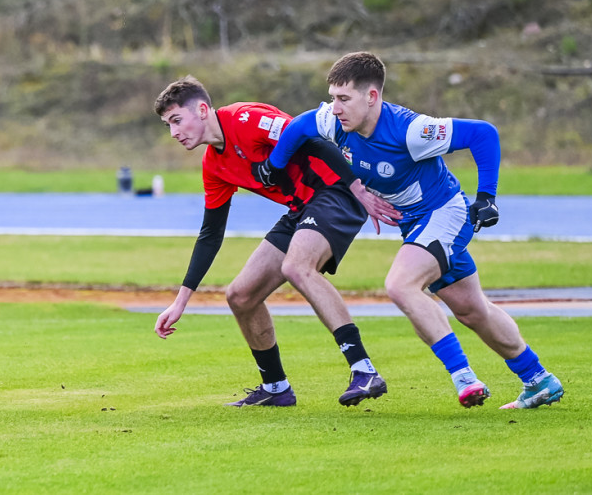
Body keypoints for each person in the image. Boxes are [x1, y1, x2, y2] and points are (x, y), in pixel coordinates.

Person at [257, 51, 564, 409]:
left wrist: (487, 197)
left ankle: (464, 378)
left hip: (444, 213)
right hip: (414, 222)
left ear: (372, 97)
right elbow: (298, 127)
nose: (335, 107)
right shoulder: (334, 121)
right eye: (332, 98)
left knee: (401, 285)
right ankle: (539, 379)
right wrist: (273, 164)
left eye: (344, 99)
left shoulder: (413, 131)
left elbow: (484, 134)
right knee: (471, 309)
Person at [153, 76, 396, 407]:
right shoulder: (213, 166)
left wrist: (358, 190)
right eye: (169, 125)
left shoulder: (245, 118)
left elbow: (312, 140)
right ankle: (276, 388)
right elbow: (211, 233)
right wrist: (180, 302)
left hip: (335, 190)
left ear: (203, 108)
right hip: (302, 207)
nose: (174, 132)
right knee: (240, 295)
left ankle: (364, 370)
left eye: (176, 120)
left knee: (297, 266)